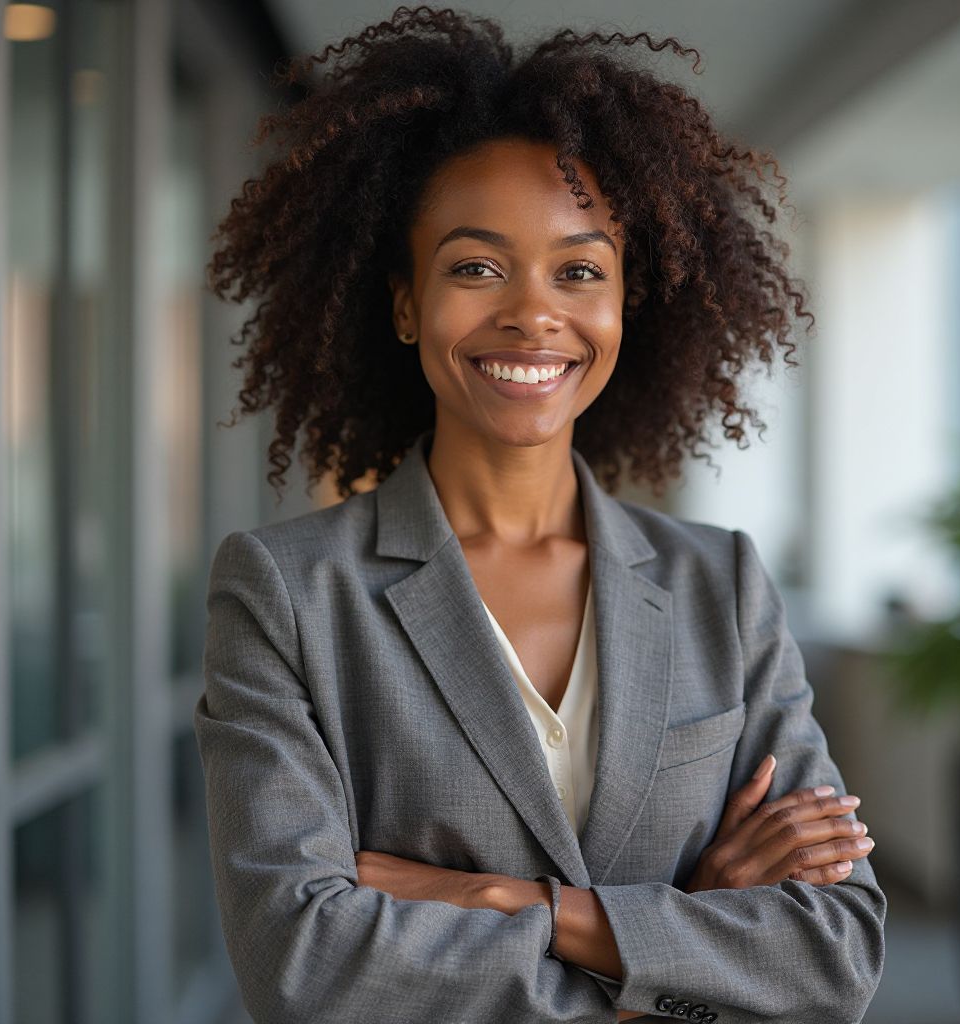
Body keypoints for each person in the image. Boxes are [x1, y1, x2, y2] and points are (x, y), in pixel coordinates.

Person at [194, 7, 886, 1022]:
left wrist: (507, 901)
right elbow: (303, 968)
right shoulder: (288, 593)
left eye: (579, 270)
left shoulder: (722, 585)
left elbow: (834, 954)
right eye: (475, 266)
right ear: (405, 302)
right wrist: (676, 942)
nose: (531, 312)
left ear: (623, 303)